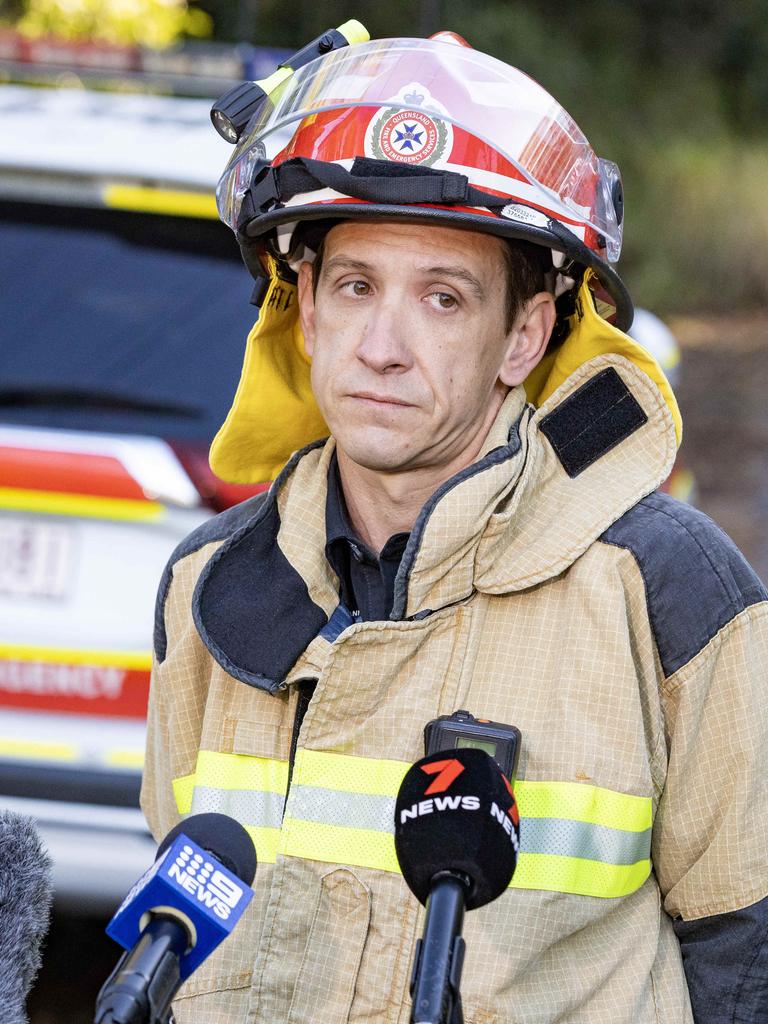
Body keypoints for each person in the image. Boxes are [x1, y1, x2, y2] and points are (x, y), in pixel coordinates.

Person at [141, 29, 768, 1024]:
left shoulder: (670, 592)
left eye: (442, 297)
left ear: (524, 335)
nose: (382, 348)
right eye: (355, 286)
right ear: (303, 310)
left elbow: (747, 959)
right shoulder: (214, 587)